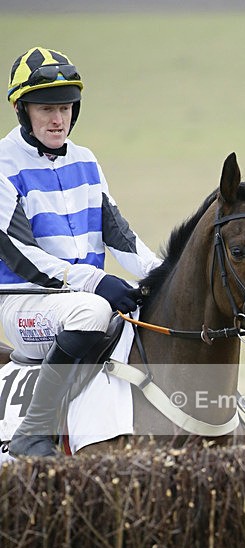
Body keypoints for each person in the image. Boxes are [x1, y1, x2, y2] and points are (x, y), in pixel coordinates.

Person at [0, 46, 161, 457]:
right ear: (22, 109)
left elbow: (119, 235)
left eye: (66, 107)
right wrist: (96, 280)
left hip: (85, 298)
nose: (58, 119)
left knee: (151, 313)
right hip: (26, 304)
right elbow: (21, 254)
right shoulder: (3, 165)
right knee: (94, 312)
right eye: (45, 109)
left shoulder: (87, 161)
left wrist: (163, 277)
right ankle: (32, 433)